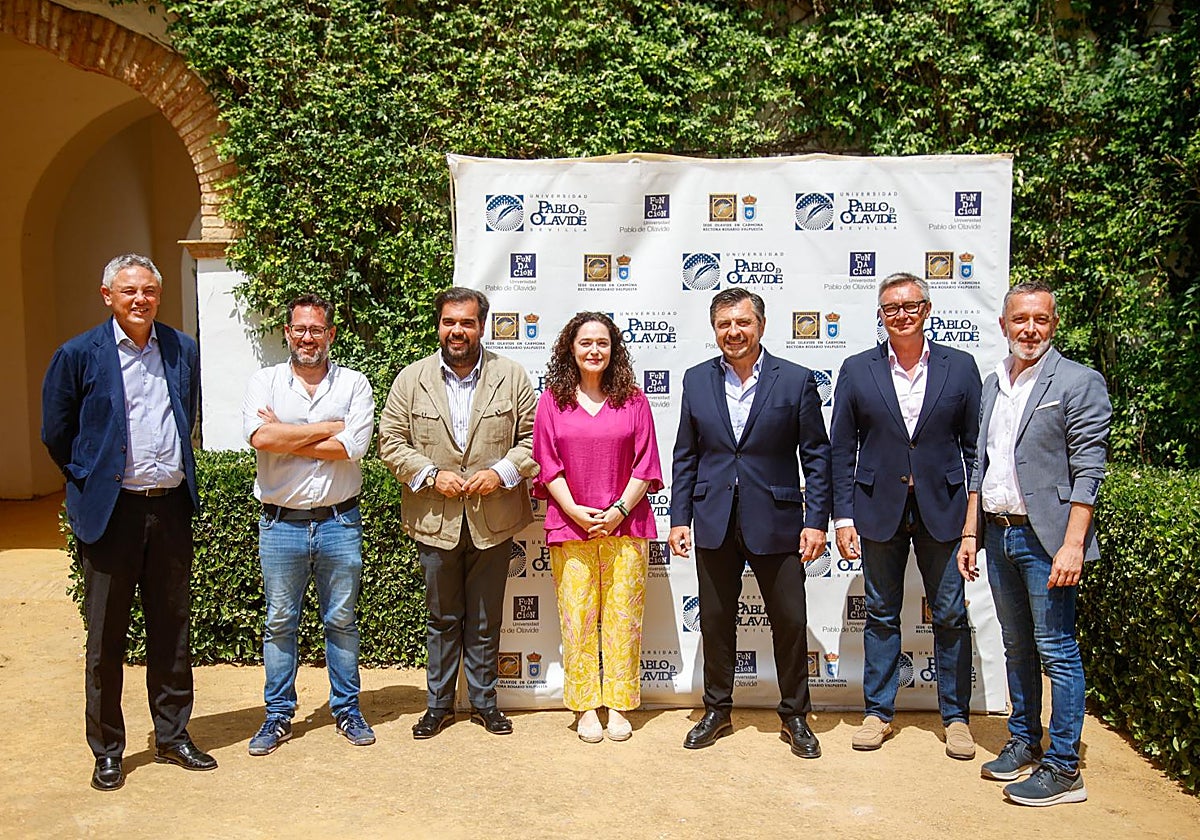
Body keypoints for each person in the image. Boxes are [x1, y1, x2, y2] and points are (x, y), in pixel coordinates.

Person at [41, 253, 215, 791]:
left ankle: (172, 735)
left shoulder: (181, 348)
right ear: (107, 296)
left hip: (169, 508)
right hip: (112, 514)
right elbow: (56, 430)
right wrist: (88, 476)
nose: (141, 299)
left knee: (171, 630)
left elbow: (186, 410)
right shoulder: (77, 354)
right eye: (129, 291)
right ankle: (107, 750)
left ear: (159, 296)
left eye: (149, 291)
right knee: (106, 639)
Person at [958, 281, 1111, 806]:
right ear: (1003, 325)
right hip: (998, 534)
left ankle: (1065, 769)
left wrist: (1074, 545)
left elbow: (1090, 471)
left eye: (1040, 319)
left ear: (1053, 324)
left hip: (1047, 540)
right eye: (1020, 319)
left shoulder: (1078, 381)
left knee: (1058, 652)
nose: (1029, 329)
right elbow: (980, 465)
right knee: (1016, 646)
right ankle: (1024, 740)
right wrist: (971, 531)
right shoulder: (993, 383)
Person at [668, 288, 832, 757]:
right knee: (716, 620)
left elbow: (816, 456)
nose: (733, 332)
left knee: (790, 620)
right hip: (714, 518)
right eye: (724, 324)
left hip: (778, 519)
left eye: (742, 322)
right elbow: (686, 455)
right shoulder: (696, 379)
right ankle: (717, 710)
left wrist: (816, 521)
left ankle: (795, 715)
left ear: (760, 325)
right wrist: (679, 517)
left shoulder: (796, 380)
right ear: (714, 329)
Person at [830, 272, 981, 758]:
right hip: (877, 508)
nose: (901, 315)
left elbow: (975, 448)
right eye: (891, 308)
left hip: (944, 508)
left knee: (951, 614)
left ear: (927, 310)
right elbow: (841, 450)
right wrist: (843, 517)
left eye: (910, 306)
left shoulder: (961, 367)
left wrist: (972, 519)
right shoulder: (857, 369)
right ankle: (877, 713)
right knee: (880, 613)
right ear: (880, 315)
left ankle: (956, 718)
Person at [379, 287, 538, 739]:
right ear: (438, 325)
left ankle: (485, 704)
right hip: (435, 521)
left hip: (494, 520)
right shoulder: (411, 379)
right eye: (449, 321)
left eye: (467, 322)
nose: (457, 330)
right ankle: (438, 705)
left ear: (481, 326)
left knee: (486, 620)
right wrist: (430, 475)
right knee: (442, 619)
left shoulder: (511, 376)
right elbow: (390, 440)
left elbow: (533, 438)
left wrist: (501, 473)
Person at [241, 293, 376, 755]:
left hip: (340, 522)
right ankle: (278, 715)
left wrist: (286, 434)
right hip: (281, 525)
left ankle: (347, 709)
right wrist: (329, 427)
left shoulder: (354, 383)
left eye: (316, 329)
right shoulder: (264, 381)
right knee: (280, 622)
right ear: (287, 332)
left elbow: (352, 448)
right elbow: (260, 437)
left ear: (330, 334)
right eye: (299, 329)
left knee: (342, 621)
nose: (307, 338)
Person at [532, 312, 663, 742]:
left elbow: (646, 463)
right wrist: (574, 510)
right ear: (570, 348)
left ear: (614, 349)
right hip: (570, 527)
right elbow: (546, 463)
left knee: (624, 619)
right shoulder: (552, 401)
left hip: (627, 525)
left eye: (602, 343)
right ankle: (586, 705)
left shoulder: (634, 401)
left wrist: (619, 510)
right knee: (578, 619)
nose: (594, 350)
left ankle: (620, 705)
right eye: (585, 342)